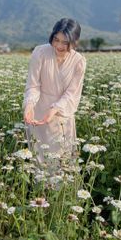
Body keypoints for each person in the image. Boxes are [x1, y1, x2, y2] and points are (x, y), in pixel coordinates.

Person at [23, 18, 86, 167]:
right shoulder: (40, 52)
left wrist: (54, 109)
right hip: (38, 114)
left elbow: (71, 93)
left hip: (62, 114)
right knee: (40, 160)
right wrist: (29, 105)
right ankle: (42, 190)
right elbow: (33, 84)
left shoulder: (79, 61)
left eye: (65, 42)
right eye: (56, 40)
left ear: (74, 41)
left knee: (62, 160)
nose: (59, 45)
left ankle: (63, 191)